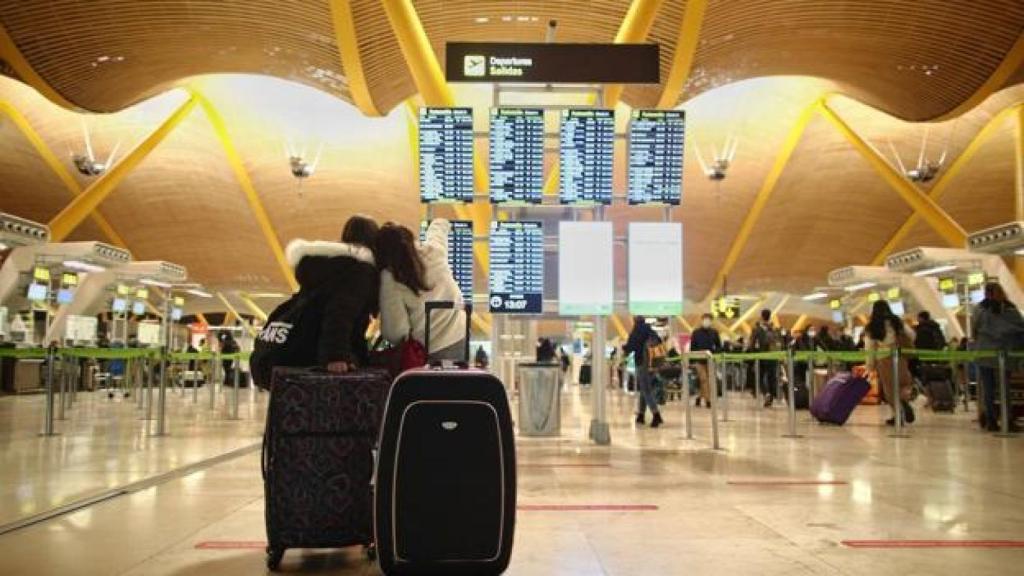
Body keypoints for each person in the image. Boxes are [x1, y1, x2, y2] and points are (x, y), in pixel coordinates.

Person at [285, 214, 380, 372]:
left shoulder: (322, 267)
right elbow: (340, 312)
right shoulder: (360, 269)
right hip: (328, 358)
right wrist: (336, 356)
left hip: (302, 350)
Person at [376, 219, 466, 363]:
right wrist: (440, 222)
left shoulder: (391, 277)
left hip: (424, 351)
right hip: (459, 338)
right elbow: (438, 231)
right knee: (455, 377)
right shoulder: (434, 251)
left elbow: (396, 332)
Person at [972, 283, 1024, 432]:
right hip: (1003, 353)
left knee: (988, 389)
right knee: (1004, 388)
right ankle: (1007, 419)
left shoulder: (979, 309)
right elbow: (1019, 328)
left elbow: (975, 329)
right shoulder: (1010, 309)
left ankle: (991, 420)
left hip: (984, 353)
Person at [864, 300, 916, 426]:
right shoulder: (896, 321)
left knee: (890, 389)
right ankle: (903, 400)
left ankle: (897, 414)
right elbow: (911, 335)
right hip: (899, 356)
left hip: (884, 358)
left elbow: (870, 347)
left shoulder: (872, 326)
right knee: (903, 383)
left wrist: (870, 365)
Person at [623, 316, 664, 427]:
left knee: (646, 390)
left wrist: (624, 348)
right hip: (653, 365)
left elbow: (630, 347)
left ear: (635, 321)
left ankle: (656, 415)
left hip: (642, 363)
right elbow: (660, 343)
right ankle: (641, 415)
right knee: (644, 389)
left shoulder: (636, 332)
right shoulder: (651, 331)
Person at [748, 309, 781, 407]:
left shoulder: (757, 329)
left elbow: (752, 344)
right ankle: (771, 397)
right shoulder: (774, 329)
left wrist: (752, 356)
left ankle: (766, 393)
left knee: (759, 376)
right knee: (772, 377)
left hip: (761, 356)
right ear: (770, 316)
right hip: (773, 356)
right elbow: (779, 343)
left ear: (762, 317)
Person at [689, 313, 722, 408]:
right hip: (699, 360)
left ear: (711, 321)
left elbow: (719, 346)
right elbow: (692, 347)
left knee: (709, 380)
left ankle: (699, 397)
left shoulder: (714, 332)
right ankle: (708, 400)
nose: (707, 321)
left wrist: (714, 352)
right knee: (703, 379)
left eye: (709, 320)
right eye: (705, 319)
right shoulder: (696, 332)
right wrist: (692, 361)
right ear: (702, 320)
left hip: (710, 360)